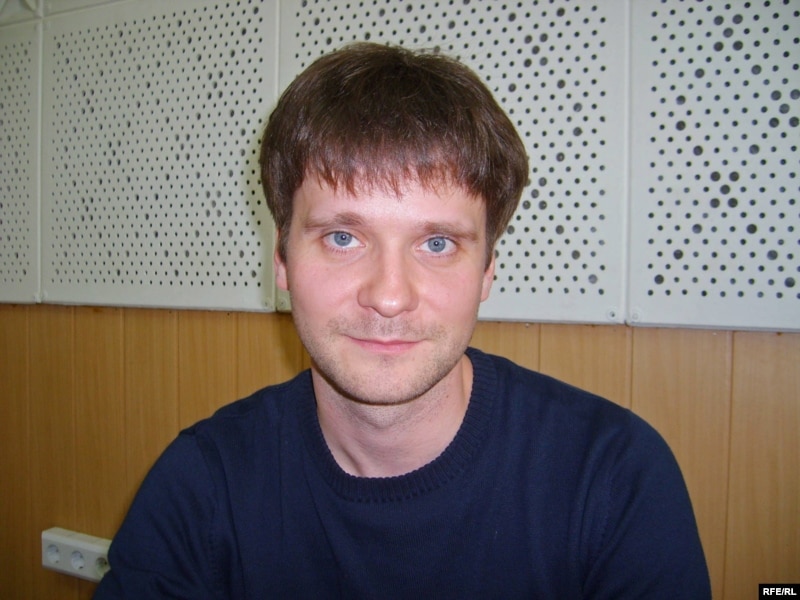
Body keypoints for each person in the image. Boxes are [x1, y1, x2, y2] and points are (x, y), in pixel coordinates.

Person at [95, 42, 710, 598]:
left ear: (487, 271)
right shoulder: (202, 484)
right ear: (281, 260)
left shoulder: (614, 478)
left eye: (437, 244)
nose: (389, 298)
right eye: (342, 237)